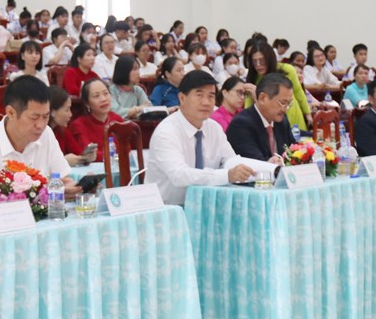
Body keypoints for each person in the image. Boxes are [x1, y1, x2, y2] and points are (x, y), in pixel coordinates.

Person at [0, 76, 82, 202]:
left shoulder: (46, 133)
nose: (41, 125)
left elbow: (63, 178)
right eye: (34, 117)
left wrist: (71, 188)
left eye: (46, 117)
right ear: (11, 113)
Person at [149, 70, 256, 205]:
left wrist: (263, 169)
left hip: (207, 206)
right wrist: (227, 175)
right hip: (169, 209)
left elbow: (231, 161)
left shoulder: (214, 128)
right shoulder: (166, 131)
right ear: (182, 98)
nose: (206, 102)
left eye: (211, 96)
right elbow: (179, 175)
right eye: (199, 95)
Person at [226, 73, 298, 162]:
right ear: (262, 98)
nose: (285, 109)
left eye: (289, 104)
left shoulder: (281, 120)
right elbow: (256, 164)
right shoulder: (241, 125)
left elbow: (293, 152)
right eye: (282, 103)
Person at [245, 41, 312, 131]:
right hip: (268, 120)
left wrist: (308, 114)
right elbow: (248, 104)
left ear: (269, 58)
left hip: (292, 114)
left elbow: (298, 92)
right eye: (254, 61)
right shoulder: (253, 77)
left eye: (262, 60)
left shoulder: (287, 70)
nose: (258, 65)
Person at [69, 79, 125, 162]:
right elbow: (89, 154)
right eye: (96, 96)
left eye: (106, 93)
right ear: (87, 103)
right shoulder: (79, 125)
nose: (103, 99)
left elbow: (126, 149)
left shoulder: (117, 120)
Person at [48, 85, 95, 166]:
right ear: (52, 112)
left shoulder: (63, 132)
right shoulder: (39, 134)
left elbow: (78, 154)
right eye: (67, 110)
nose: (70, 114)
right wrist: (63, 161)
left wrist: (86, 158)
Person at [107, 54, 154, 119]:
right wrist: (137, 109)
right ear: (124, 71)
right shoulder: (111, 91)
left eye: (138, 69)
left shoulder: (138, 90)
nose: (138, 73)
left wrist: (134, 113)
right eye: (135, 69)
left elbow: (149, 108)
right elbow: (115, 112)